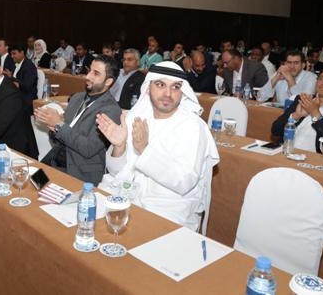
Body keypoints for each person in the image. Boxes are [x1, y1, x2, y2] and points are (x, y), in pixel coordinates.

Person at [96, 61, 220, 231]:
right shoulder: (135, 117)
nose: (168, 93)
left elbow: (185, 181)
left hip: (168, 210)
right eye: (160, 85)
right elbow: (115, 172)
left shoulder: (193, 127)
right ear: (148, 87)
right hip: (126, 197)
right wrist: (119, 147)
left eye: (175, 87)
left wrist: (144, 150)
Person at [34, 55, 122, 185]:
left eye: (96, 73)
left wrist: (58, 125)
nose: (88, 76)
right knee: (28, 185)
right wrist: (52, 128)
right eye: (89, 71)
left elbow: (88, 148)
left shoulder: (111, 110)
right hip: (55, 160)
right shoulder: (77, 98)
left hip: (80, 171)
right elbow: (60, 138)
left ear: (108, 81)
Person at [271, 68, 323, 157]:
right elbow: (275, 130)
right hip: (286, 153)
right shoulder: (303, 99)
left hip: (316, 159)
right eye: (321, 78)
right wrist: (295, 116)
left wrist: (315, 114)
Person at [10, 43, 38, 115]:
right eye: (11, 54)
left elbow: (27, 86)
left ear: (22, 53)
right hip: (16, 96)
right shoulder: (14, 64)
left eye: (14, 54)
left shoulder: (29, 67)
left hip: (26, 100)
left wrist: (12, 78)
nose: (12, 56)